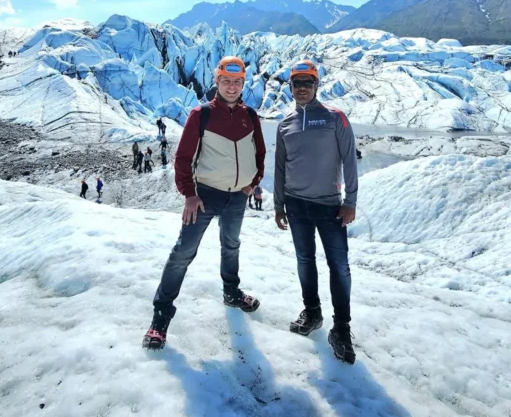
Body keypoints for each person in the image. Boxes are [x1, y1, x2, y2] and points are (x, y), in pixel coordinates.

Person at [143, 56, 267, 351]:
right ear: (217, 81)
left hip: (238, 196)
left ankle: (231, 292)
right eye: (227, 80)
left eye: (237, 82)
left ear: (243, 83)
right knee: (183, 252)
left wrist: (253, 181)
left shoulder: (250, 116)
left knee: (231, 245)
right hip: (205, 196)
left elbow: (260, 153)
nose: (232, 86)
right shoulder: (201, 115)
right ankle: (161, 316)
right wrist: (189, 194)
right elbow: (183, 158)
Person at [274, 60, 359, 364]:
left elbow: (350, 160)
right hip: (296, 205)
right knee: (304, 260)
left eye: (307, 83)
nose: (301, 89)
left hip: (329, 205)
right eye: (296, 84)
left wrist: (351, 200)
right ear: (291, 87)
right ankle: (312, 312)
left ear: (316, 86)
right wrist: (278, 204)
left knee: (340, 267)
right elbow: (280, 166)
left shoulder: (335, 118)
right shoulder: (285, 124)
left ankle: (342, 328)